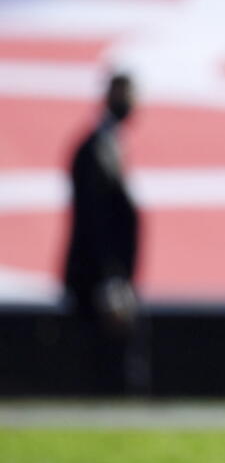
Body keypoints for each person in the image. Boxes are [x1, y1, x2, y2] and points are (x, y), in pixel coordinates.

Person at [63, 71, 149, 395]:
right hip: (96, 279)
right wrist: (109, 277)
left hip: (105, 276)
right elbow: (96, 220)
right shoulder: (96, 149)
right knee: (97, 366)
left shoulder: (109, 145)